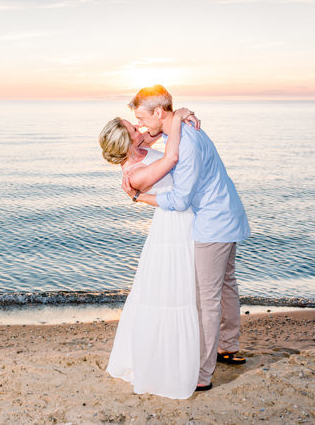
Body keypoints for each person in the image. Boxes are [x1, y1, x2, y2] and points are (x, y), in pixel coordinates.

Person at [122, 85, 250, 392]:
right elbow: (151, 138)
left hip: (213, 223)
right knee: (226, 286)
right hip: (228, 214)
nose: (140, 124)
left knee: (207, 300)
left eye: (141, 117)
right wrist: (180, 115)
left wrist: (140, 196)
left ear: (158, 112)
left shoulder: (186, 141)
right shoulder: (180, 131)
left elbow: (180, 201)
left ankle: (203, 373)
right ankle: (227, 346)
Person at [99, 106, 200, 399]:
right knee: (170, 292)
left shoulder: (140, 147)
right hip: (173, 225)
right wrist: (178, 118)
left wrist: (172, 117)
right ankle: (166, 364)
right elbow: (172, 157)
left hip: (182, 218)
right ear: (127, 142)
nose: (138, 128)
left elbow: (158, 133)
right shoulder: (134, 174)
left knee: (181, 289)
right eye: (132, 128)